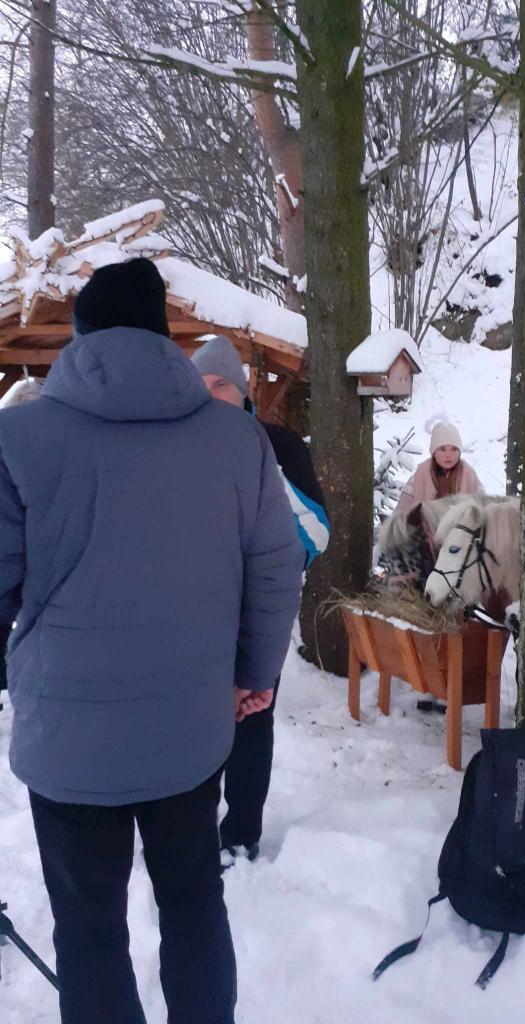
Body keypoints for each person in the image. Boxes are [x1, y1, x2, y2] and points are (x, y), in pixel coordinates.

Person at [0, 259, 304, 1024]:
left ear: (83, 336)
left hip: (67, 745)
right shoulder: (237, 438)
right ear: (163, 336)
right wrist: (255, 673)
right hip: (189, 732)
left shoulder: (18, 437)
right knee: (195, 902)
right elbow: (275, 565)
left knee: (88, 928)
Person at [191, 335, 329, 865]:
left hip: (257, 615)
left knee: (250, 722)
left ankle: (241, 832)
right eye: (198, 385)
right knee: (194, 723)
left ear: (242, 391)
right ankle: (190, 828)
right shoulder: (175, 446)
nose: (208, 395)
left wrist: (260, 464)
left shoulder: (279, 445)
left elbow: (316, 531)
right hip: (192, 615)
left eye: (220, 385)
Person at [395, 421, 484, 516]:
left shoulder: (468, 476)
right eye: (442, 449)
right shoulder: (419, 478)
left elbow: (483, 509)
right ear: (434, 453)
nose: (448, 455)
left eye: (454, 449)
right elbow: (401, 514)